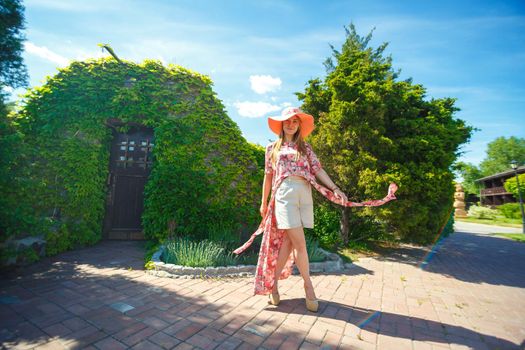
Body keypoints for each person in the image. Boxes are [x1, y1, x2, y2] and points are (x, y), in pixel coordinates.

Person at [234, 107, 397, 313]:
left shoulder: (305, 148)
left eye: (295, 121)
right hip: (283, 195)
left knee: (289, 241)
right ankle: (308, 286)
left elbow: (318, 169)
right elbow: (268, 176)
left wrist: (335, 188)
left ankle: (273, 285)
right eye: (287, 121)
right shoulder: (271, 149)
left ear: (299, 125)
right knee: (300, 242)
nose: (291, 124)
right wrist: (263, 202)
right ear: (282, 124)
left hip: (304, 195)